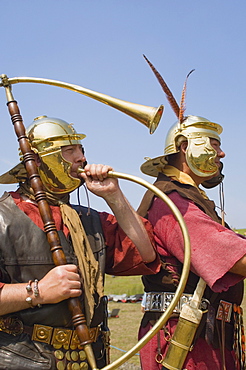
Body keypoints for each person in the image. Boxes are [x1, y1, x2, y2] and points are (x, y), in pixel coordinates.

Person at [0, 115, 160, 370]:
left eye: (81, 150)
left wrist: (114, 197)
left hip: (91, 359)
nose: (81, 158)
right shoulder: (2, 218)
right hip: (21, 360)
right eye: (69, 151)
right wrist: (38, 291)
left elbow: (146, 253)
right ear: (40, 159)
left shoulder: (89, 219)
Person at [137, 58, 246, 370]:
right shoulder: (172, 200)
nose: (221, 153)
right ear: (186, 146)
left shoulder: (190, 197)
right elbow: (227, 255)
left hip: (206, 337)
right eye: (214, 143)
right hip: (183, 342)